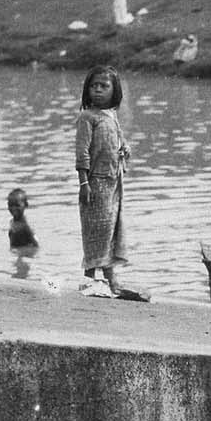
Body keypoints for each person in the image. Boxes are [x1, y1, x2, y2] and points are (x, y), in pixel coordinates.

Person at [75, 65, 140, 299]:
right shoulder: (86, 117)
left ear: (115, 90)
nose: (98, 90)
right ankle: (89, 278)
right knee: (96, 230)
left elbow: (118, 142)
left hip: (114, 181)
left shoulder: (111, 116)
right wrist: (84, 183)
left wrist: (125, 149)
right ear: (87, 90)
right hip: (95, 182)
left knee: (111, 229)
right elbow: (82, 152)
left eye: (104, 86)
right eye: (94, 86)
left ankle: (112, 279)